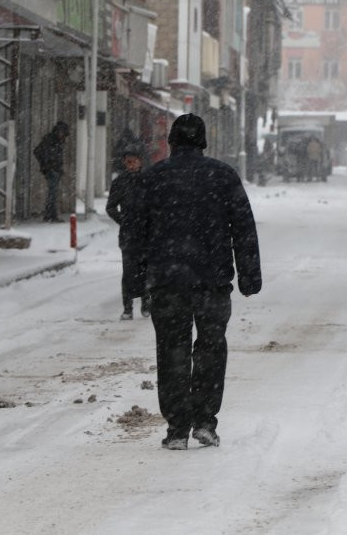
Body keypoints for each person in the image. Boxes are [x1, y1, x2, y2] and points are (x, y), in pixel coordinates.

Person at [127, 114, 261, 451]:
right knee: (210, 350)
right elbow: (243, 228)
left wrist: (135, 281)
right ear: (203, 142)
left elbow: (134, 234)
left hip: (167, 282)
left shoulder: (153, 178)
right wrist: (249, 275)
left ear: (172, 142)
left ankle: (176, 428)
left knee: (172, 350)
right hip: (212, 282)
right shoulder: (223, 176)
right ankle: (205, 421)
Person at [106, 141, 149, 321]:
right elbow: (111, 207)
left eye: (134, 161)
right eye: (128, 161)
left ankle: (147, 304)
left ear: (140, 161)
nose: (131, 165)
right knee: (129, 271)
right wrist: (123, 221)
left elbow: (157, 205)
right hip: (128, 235)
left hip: (147, 234)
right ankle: (128, 308)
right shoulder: (120, 182)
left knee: (147, 270)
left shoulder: (149, 180)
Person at [33, 121, 69, 222]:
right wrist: (47, 164)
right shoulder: (50, 140)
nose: (62, 135)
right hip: (51, 170)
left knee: (53, 193)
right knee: (52, 194)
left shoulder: (58, 141)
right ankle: (51, 215)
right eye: (60, 132)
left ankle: (49, 214)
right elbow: (37, 151)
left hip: (55, 169)